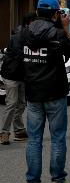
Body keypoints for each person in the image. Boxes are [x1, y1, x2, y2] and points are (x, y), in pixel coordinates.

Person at [21, 0, 70, 183]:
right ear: (55, 14)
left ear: (36, 12)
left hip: (33, 93)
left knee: (34, 138)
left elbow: (18, 59)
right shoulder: (57, 33)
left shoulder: (24, 33)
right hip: (55, 92)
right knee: (57, 137)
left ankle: (31, 182)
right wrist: (65, 28)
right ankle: (58, 180)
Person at [0, 12, 36, 145]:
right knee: (12, 103)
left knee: (21, 104)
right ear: (29, 23)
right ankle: (4, 133)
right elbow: (21, 55)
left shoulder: (31, 36)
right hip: (11, 74)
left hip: (22, 75)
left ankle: (19, 131)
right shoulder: (17, 36)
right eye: (35, 22)